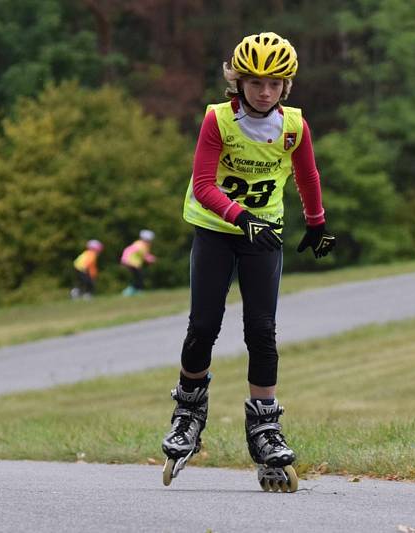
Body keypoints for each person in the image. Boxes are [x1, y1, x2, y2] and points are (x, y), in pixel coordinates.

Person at [161, 32, 335, 493]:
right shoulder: (218, 120)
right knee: (204, 325)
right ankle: (188, 413)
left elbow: (307, 173)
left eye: (274, 84)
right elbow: (202, 183)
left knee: (262, 331)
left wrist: (316, 223)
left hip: (266, 235)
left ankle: (265, 428)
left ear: (285, 87)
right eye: (255, 82)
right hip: (217, 230)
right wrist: (240, 218)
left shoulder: (294, 126)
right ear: (237, 82)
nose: (264, 92)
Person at [120, 229, 156, 296]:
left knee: (138, 278)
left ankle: (134, 291)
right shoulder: (140, 245)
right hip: (132, 263)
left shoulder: (140, 244)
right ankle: (135, 291)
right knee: (139, 277)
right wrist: (151, 259)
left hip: (133, 264)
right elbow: (143, 255)